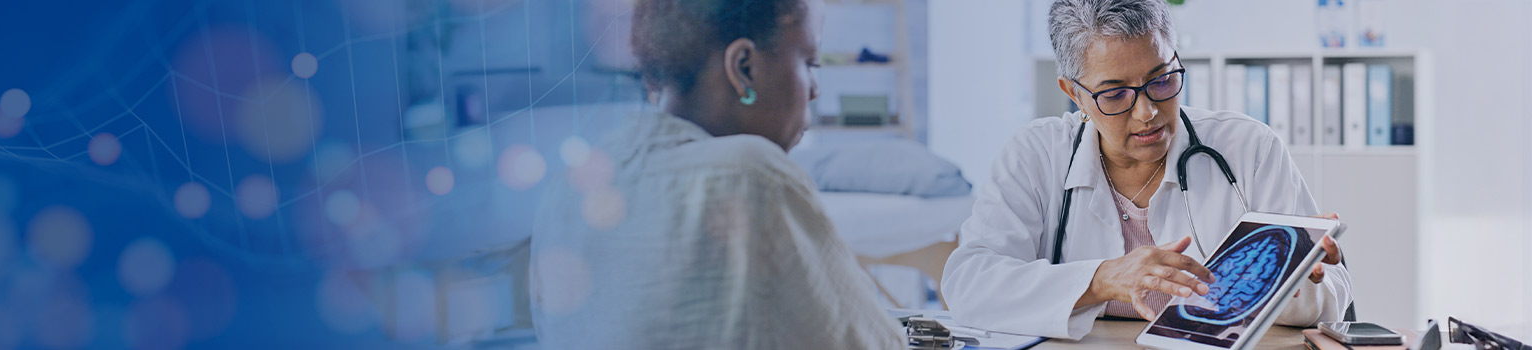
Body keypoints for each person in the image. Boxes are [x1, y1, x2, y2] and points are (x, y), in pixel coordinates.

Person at [939, 0, 1353, 339]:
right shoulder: (1036, 154)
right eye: (1115, 93)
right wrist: (1101, 279)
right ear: (1073, 93)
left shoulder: (1249, 149)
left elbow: (1332, 300)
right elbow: (969, 283)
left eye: (1162, 80)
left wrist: (1301, 279)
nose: (1147, 112)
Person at [529, 0, 902, 348]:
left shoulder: (569, 188)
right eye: (809, 62)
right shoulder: (751, 176)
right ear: (744, 67)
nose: (815, 90)